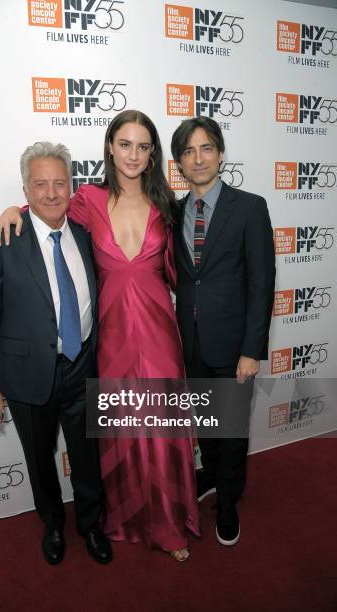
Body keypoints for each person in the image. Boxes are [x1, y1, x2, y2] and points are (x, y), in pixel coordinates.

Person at [0, 110, 200, 561]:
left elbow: (184, 273)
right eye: (125, 144)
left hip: (159, 330)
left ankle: (166, 522)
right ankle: (120, 519)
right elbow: (48, 208)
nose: (134, 155)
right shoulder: (87, 200)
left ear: (153, 153)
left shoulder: (167, 204)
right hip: (111, 337)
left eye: (143, 146)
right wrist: (13, 209)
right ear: (109, 147)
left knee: (159, 426)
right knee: (119, 432)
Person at [0, 142, 112, 566]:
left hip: (83, 365)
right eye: (40, 185)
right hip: (26, 373)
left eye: (59, 183)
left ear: (72, 186)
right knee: (39, 460)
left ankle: (91, 523)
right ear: (25, 190)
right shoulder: (1, 237)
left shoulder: (87, 235)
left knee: (88, 455)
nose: (51, 193)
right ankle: (52, 524)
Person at [171, 116, 276, 546]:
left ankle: (229, 502)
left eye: (206, 148)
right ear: (179, 161)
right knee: (206, 424)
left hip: (234, 348)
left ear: (220, 153)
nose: (198, 159)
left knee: (231, 429)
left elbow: (261, 283)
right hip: (189, 344)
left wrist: (252, 349)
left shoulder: (250, 207)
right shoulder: (172, 211)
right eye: (189, 151)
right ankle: (212, 475)